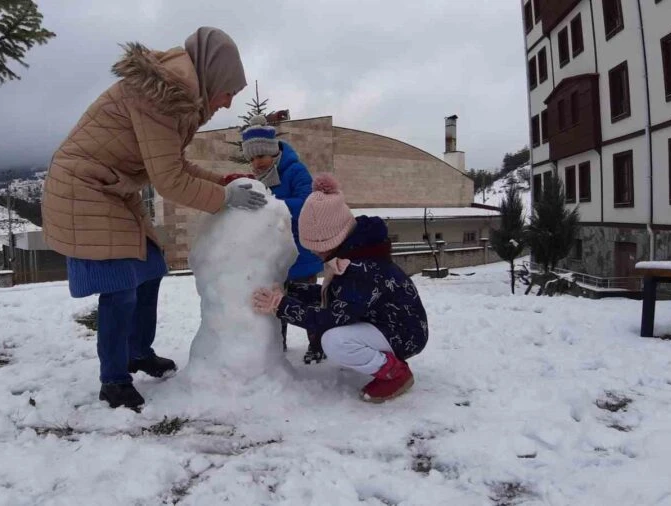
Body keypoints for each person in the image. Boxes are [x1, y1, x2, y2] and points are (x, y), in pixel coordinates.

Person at [42, 27, 266, 411]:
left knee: (150, 268)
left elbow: (171, 162)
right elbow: (169, 180)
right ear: (213, 79)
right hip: (85, 189)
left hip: (113, 188)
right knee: (120, 286)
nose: (228, 103)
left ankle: (137, 352)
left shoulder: (176, 98)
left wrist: (221, 180)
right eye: (229, 92)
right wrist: (225, 197)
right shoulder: (160, 97)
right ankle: (114, 380)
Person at [251, 174, 429, 402]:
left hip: (404, 335)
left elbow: (329, 317)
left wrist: (280, 306)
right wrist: (291, 291)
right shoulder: (355, 254)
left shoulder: (360, 271)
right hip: (387, 324)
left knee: (334, 340)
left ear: (333, 240)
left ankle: (395, 374)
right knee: (336, 333)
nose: (315, 253)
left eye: (318, 247)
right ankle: (386, 362)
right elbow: (336, 298)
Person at [222, 115, 326, 363]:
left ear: (272, 152)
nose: (256, 163)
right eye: (252, 158)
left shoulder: (295, 170)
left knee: (308, 300)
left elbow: (306, 203)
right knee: (277, 301)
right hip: (273, 254)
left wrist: (271, 205)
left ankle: (317, 343)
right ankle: (278, 344)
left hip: (301, 250)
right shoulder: (260, 177)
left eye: (260, 156)